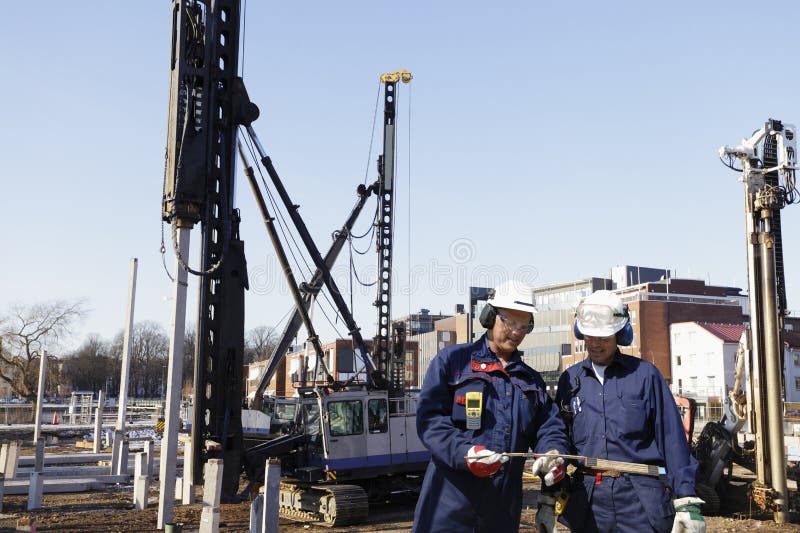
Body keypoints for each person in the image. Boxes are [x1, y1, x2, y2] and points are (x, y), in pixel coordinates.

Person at [412, 280, 570, 533]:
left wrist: (552, 452)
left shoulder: (530, 381)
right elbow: (430, 422)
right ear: (490, 317)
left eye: (524, 325)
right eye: (509, 322)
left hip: (500, 512)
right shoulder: (452, 362)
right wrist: (465, 452)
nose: (517, 332)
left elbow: (549, 426)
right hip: (448, 506)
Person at [555, 290, 705, 533]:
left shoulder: (645, 376)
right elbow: (559, 435)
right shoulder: (570, 380)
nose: (594, 344)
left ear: (620, 335)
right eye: (589, 336)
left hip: (640, 501)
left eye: (603, 337)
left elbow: (672, 440)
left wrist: (687, 500)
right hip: (589, 501)